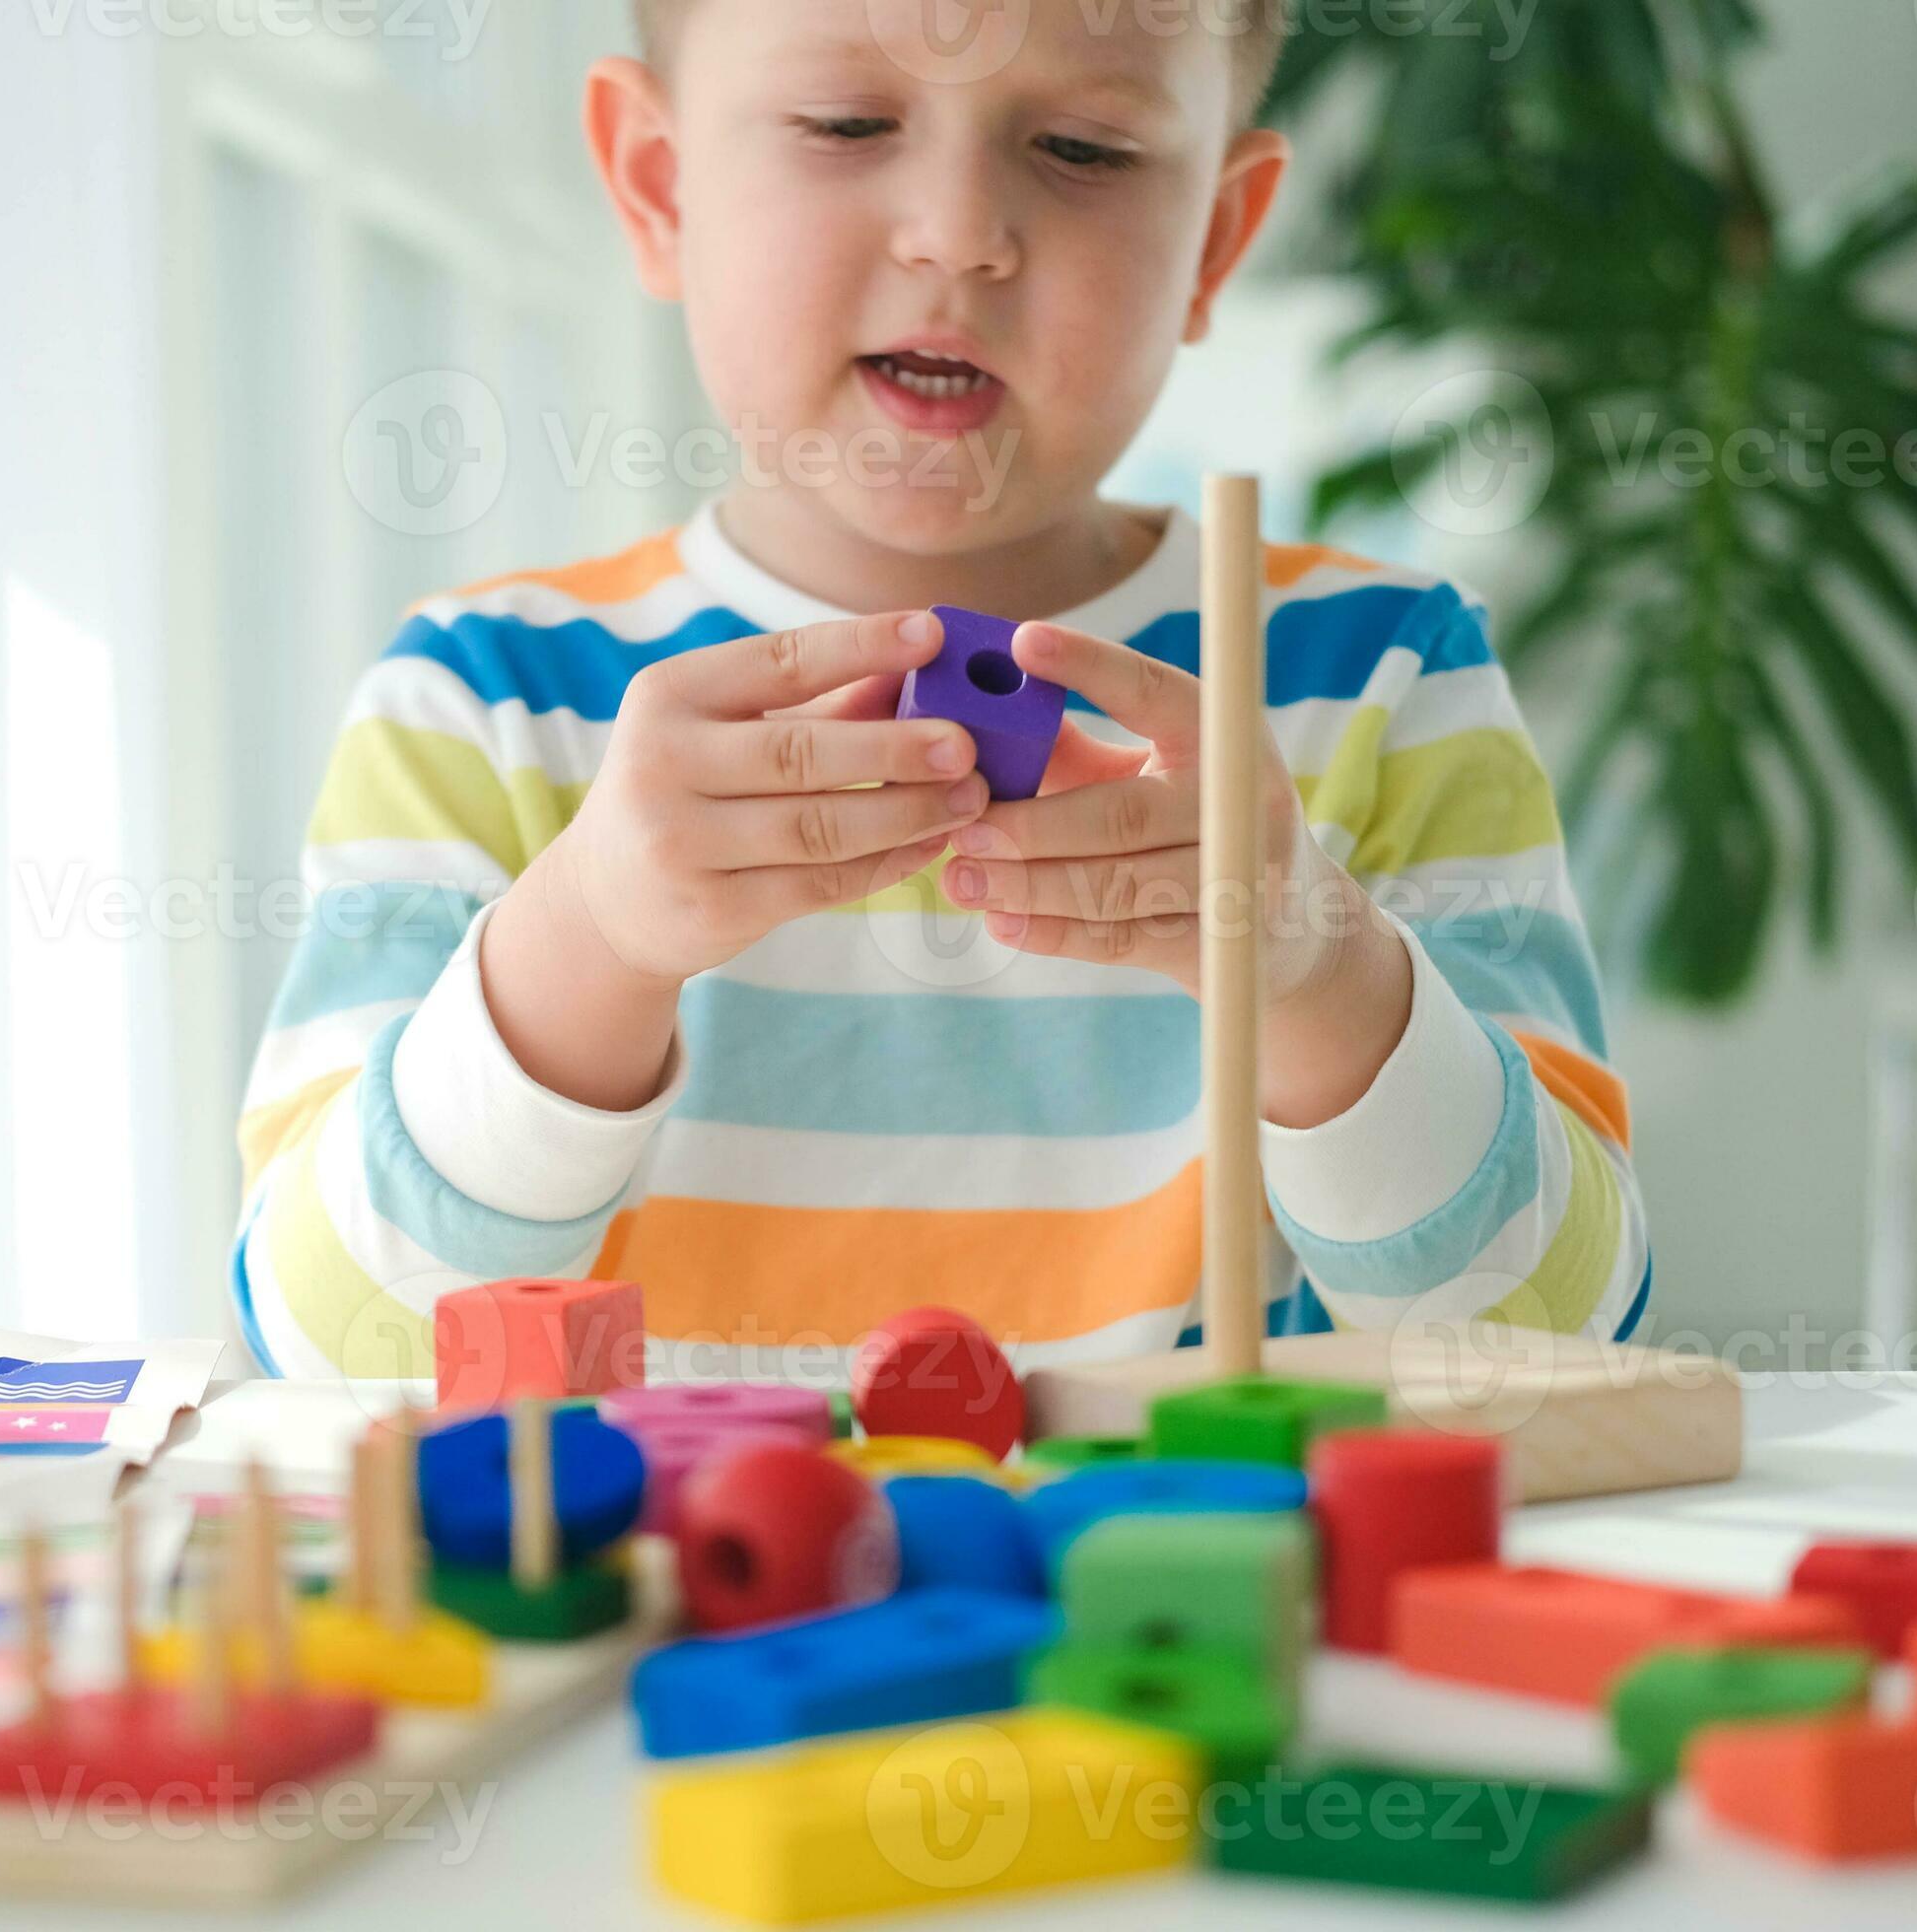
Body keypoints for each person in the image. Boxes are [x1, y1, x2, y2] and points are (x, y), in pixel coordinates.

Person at [230, 0, 1646, 1382]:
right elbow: (325, 1342)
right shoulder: (484, 697)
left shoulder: (1382, 675)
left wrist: (1317, 967)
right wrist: (587, 940)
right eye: (847, 122)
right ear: (660, 187)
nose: (961, 236)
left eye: (1084, 151)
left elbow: (1557, 1343)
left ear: (1212, 241)